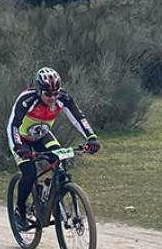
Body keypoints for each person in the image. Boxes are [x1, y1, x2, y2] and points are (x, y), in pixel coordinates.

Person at [7, 67, 100, 230]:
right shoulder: (27, 100)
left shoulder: (62, 97)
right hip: (21, 139)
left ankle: (52, 195)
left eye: (55, 93)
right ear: (39, 90)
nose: (53, 98)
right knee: (29, 174)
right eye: (48, 94)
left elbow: (78, 118)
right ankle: (19, 211)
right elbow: (12, 125)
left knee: (61, 161)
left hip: (43, 136)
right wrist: (18, 147)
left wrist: (91, 137)